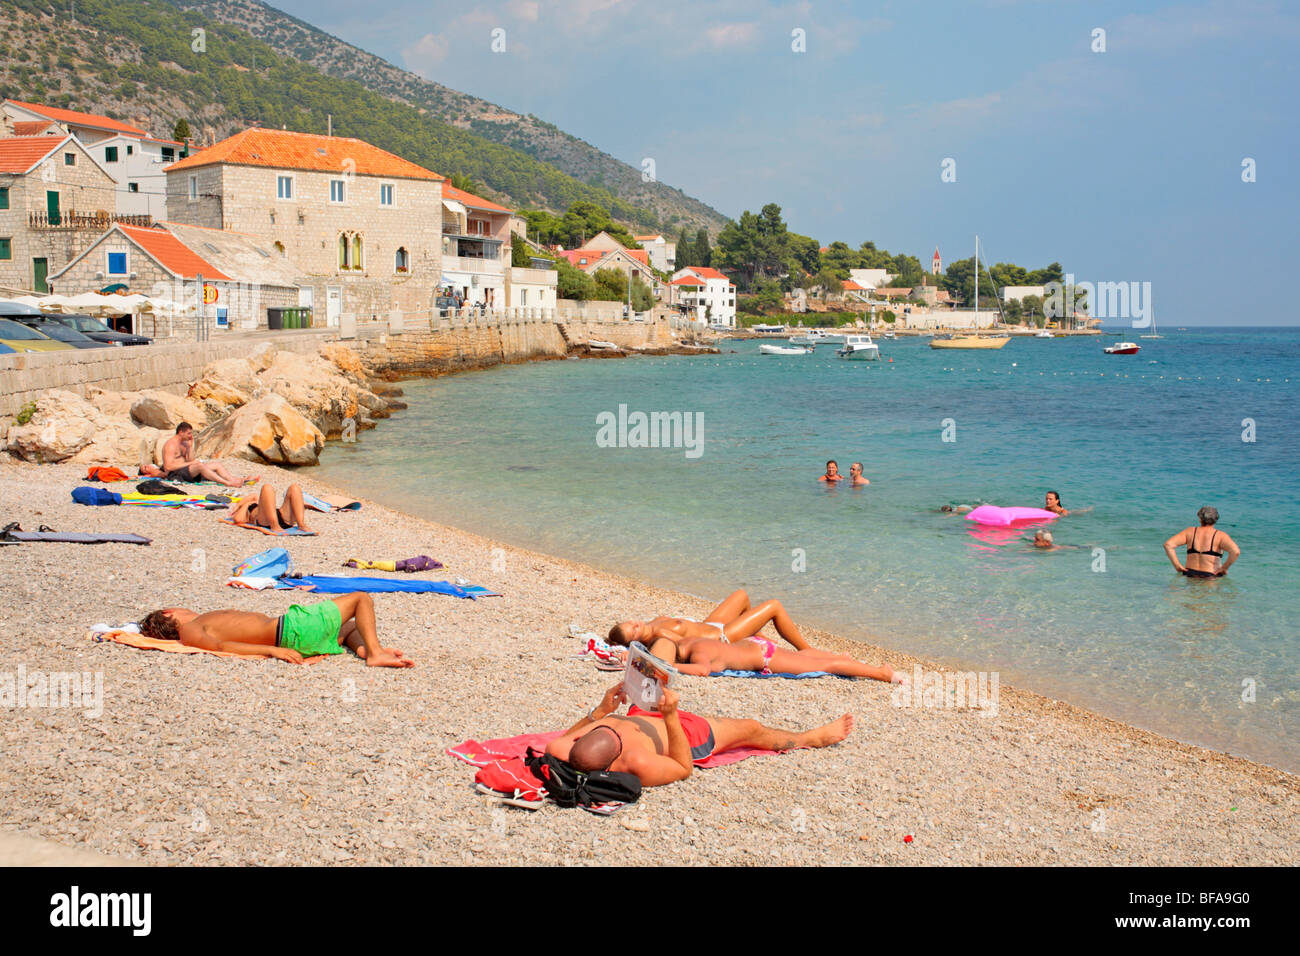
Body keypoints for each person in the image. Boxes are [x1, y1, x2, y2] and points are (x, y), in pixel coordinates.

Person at [546, 683, 853, 787]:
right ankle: (809, 738)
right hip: (687, 734)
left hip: (640, 714)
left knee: (660, 655)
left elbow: (565, 737)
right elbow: (683, 768)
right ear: (614, 763)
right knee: (750, 727)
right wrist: (669, 716)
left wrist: (601, 711)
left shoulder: (566, 747)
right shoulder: (637, 761)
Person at [138, 592, 413, 667]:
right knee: (360, 599)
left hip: (294, 634)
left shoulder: (198, 624)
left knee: (350, 625)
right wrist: (273, 650)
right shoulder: (190, 630)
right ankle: (376, 654)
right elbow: (221, 648)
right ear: (169, 613)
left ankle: (365, 649)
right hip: (290, 630)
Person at [608, 589, 813, 652]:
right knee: (774, 605)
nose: (636, 624)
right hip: (722, 636)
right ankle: (806, 650)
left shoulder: (651, 623)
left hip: (709, 625)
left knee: (741, 596)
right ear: (634, 641)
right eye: (633, 630)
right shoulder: (658, 635)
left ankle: (755, 633)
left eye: (630, 622)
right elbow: (686, 647)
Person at [652, 633, 901, 683]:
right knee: (804, 658)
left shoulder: (698, 654)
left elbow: (703, 670)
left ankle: (882, 673)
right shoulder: (688, 640)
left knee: (827, 666)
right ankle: (843, 658)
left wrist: (668, 666)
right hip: (754, 642)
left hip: (764, 656)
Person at [1164, 506, 1240, 578]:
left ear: (1200, 518)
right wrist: (1224, 568)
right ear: (1215, 519)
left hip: (1190, 574)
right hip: (1211, 575)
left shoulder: (1190, 531)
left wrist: (1177, 565)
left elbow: (1168, 545)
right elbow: (1235, 552)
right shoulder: (1220, 535)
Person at [161, 422, 244, 487]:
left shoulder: (184, 443)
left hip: (186, 470)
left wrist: (190, 447)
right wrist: (190, 463)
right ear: (181, 432)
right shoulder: (171, 445)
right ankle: (226, 483)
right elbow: (168, 467)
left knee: (216, 465)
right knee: (199, 466)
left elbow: (191, 460)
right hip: (175, 474)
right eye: (188, 433)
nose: (190, 436)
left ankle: (233, 479)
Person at [229, 483, 314, 534]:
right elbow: (237, 519)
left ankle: (301, 524)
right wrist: (245, 505)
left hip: (280, 517)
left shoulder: (258, 500)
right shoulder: (246, 507)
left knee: (294, 487)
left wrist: (238, 505)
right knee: (267, 487)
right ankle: (274, 525)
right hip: (265, 521)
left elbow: (253, 495)